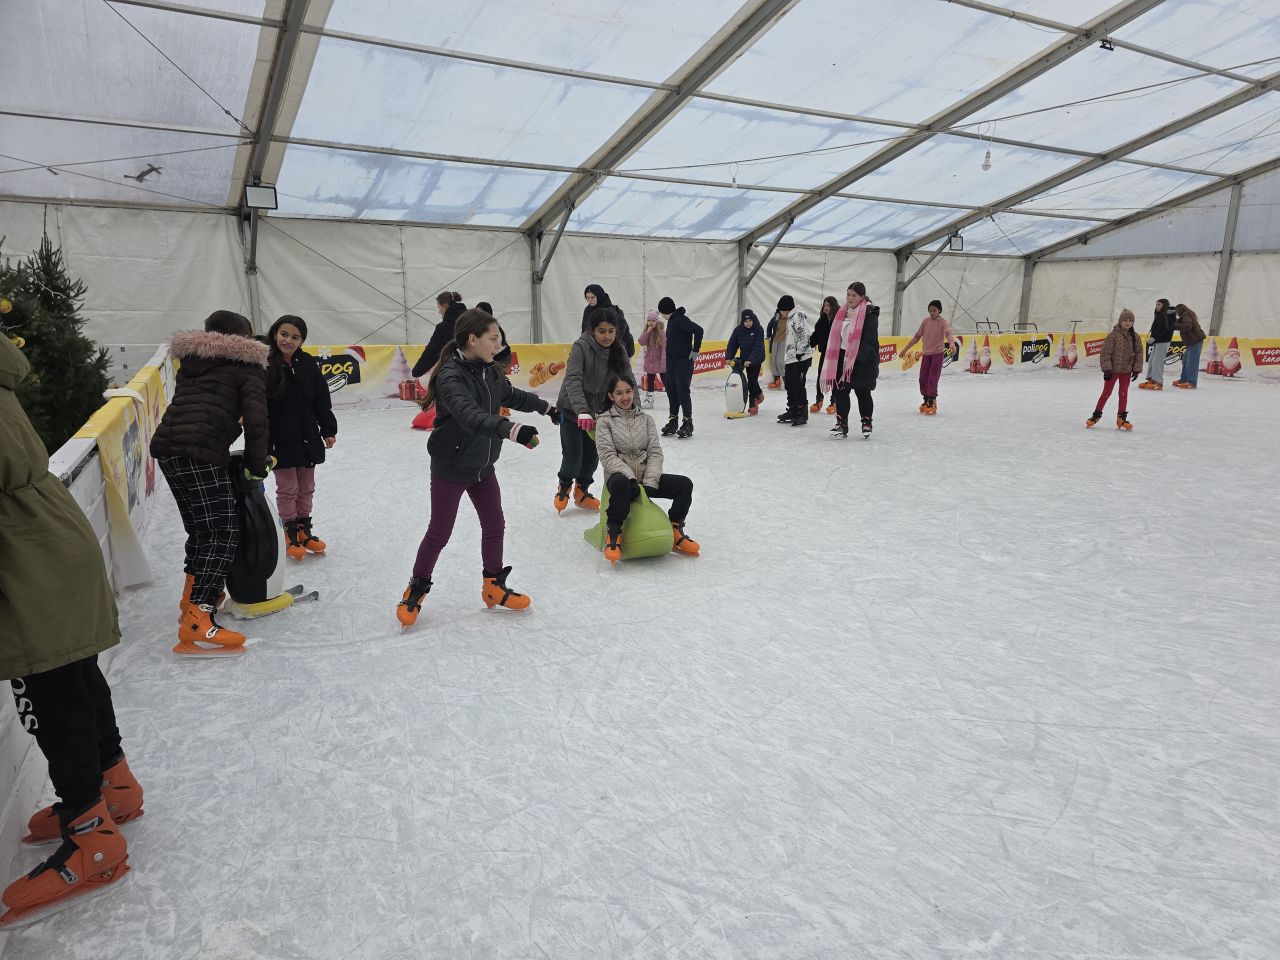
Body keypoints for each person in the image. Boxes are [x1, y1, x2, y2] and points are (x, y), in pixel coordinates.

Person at [1, 334, 142, 926]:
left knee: (51, 694)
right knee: (76, 675)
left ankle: (92, 839)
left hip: (24, 552)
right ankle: (114, 789)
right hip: (49, 534)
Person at [396, 310, 559, 628]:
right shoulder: (451, 376)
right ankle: (416, 588)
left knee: (495, 524)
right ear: (473, 340)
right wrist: (511, 429)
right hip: (451, 466)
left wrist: (546, 407)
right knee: (440, 532)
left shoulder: (490, 370)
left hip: (483, 467)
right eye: (493, 339)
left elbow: (510, 394)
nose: (499, 345)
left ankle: (493, 586)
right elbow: (469, 416)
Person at [150, 310, 269, 653]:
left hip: (168, 449)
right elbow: (257, 422)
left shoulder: (193, 362)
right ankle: (197, 618)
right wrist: (256, 466)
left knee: (201, 531)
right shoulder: (247, 365)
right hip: (200, 452)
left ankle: (193, 599)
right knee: (221, 532)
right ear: (244, 337)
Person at [594, 376, 699, 563]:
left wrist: (650, 480)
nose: (625, 397)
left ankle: (675, 528)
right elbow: (608, 456)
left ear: (633, 392)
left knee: (684, 485)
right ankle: (614, 531)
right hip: (619, 477)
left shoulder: (646, 419)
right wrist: (630, 479)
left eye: (628, 391)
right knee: (621, 483)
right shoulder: (605, 421)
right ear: (611, 396)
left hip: (645, 476)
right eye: (619, 393)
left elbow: (655, 452)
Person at [265, 315, 337, 561]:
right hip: (279, 438)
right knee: (288, 489)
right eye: (284, 334)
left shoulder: (307, 363)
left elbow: (321, 399)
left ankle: (304, 529)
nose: (288, 340)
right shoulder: (265, 364)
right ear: (275, 334)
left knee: (306, 488)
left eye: (295, 337)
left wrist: (328, 429)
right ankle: (289, 531)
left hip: (307, 437)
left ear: (302, 341)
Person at [554, 307, 634, 513]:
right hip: (572, 410)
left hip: (598, 412)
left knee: (592, 457)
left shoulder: (619, 349)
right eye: (602, 331)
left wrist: (635, 411)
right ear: (592, 330)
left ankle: (582, 490)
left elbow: (628, 382)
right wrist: (581, 410)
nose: (607, 336)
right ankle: (564, 486)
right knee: (573, 455)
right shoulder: (581, 347)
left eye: (611, 331)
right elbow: (573, 379)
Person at [821, 282, 881, 438]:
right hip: (842, 357)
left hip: (862, 359)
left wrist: (857, 359)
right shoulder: (841, 312)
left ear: (862, 297)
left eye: (854, 295)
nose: (850, 298)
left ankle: (866, 422)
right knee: (841, 391)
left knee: (862, 391)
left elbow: (869, 339)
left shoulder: (869, 313)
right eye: (848, 294)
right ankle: (842, 424)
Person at [1086, 308, 1143, 430]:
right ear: (1120, 321)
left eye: (1130, 321)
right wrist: (1107, 369)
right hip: (1113, 371)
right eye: (1125, 320)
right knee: (1106, 393)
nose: (1127, 323)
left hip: (1126, 371)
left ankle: (1121, 418)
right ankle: (1096, 415)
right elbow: (1105, 353)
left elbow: (1139, 353)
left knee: (1123, 393)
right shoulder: (1113, 336)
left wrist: (1136, 369)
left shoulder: (1135, 337)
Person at [657, 296, 703, 439]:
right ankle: (673, 421)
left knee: (682, 392)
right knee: (672, 392)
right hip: (672, 362)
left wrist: (695, 351)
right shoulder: (672, 321)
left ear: (665, 311)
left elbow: (699, 330)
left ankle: (688, 423)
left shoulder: (681, 320)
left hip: (683, 362)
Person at [901, 299, 957, 414]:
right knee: (923, 378)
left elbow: (948, 334)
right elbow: (917, 336)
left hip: (937, 354)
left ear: (939, 310)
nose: (932, 313)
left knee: (932, 378)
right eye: (930, 311)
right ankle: (926, 399)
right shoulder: (926, 321)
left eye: (934, 310)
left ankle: (931, 401)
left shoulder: (943, 322)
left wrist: (952, 344)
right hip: (926, 354)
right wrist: (905, 349)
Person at [774, 296, 813, 426]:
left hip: (801, 357)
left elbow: (803, 334)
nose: (780, 313)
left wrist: (800, 351)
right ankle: (793, 409)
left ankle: (802, 412)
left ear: (786, 308)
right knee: (789, 383)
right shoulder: (790, 318)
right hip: (791, 358)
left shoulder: (798, 315)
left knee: (798, 384)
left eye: (781, 310)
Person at [411, 291, 467, 378]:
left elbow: (431, 353)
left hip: (455, 373)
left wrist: (416, 371)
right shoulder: (472, 319)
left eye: (439, 307)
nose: (439, 311)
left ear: (444, 306)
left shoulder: (444, 327)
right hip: (477, 372)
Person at [724, 309, 765, 415]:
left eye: (750, 321)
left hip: (756, 358)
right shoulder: (738, 330)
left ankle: (753, 402)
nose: (748, 323)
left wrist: (751, 360)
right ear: (743, 321)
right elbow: (732, 344)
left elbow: (758, 347)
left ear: (753, 319)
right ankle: (759, 394)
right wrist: (728, 357)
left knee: (752, 380)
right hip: (745, 357)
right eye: (746, 321)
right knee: (750, 380)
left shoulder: (759, 329)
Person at [581, 284, 635, 357]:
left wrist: (609, 347)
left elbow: (619, 331)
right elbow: (585, 329)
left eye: (592, 297)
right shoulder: (588, 310)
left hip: (618, 348)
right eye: (587, 298)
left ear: (599, 296)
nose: (590, 300)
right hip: (596, 348)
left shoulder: (611, 311)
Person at [809, 296, 839, 414]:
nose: (826, 308)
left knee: (835, 377)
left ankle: (834, 402)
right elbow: (816, 334)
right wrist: (809, 343)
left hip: (836, 354)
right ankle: (819, 400)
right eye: (824, 305)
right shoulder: (822, 319)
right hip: (825, 352)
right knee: (821, 376)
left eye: (828, 305)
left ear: (833, 306)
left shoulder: (838, 319)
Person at [1140, 297, 1177, 390]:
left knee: (1157, 362)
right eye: (1156, 304)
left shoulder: (1168, 315)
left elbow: (1166, 329)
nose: (1157, 306)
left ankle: (1158, 382)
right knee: (1152, 360)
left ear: (1164, 306)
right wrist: (1153, 337)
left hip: (1163, 341)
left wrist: (1154, 337)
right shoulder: (1160, 314)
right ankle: (1151, 379)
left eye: (1159, 304)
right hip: (1158, 341)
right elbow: (1157, 328)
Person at [635, 309, 665, 408]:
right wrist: (647, 332)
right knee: (650, 380)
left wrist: (664, 360)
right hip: (650, 361)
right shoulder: (647, 331)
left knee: (665, 380)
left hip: (660, 361)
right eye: (649, 320)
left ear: (657, 321)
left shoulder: (661, 331)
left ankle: (674, 398)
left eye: (653, 320)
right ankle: (650, 400)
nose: (651, 322)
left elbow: (665, 346)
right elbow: (641, 342)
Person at [1173, 303, 1206, 389]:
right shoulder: (1185, 316)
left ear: (1180, 310)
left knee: (1192, 363)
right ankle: (1184, 379)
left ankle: (1192, 382)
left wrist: (1173, 325)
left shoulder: (1187, 316)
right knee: (1185, 361)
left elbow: (1187, 326)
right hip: (1192, 343)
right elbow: (1179, 322)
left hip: (1195, 342)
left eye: (1176, 311)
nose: (1176, 313)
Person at [766, 309, 785, 389]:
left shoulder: (790, 318)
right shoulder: (776, 318)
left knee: (780, 362)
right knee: (774, 362)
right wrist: (769, 335)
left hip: (784, 341)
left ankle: (786, 379)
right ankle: (777, 380)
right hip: (775, 341)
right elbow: (769, 326)